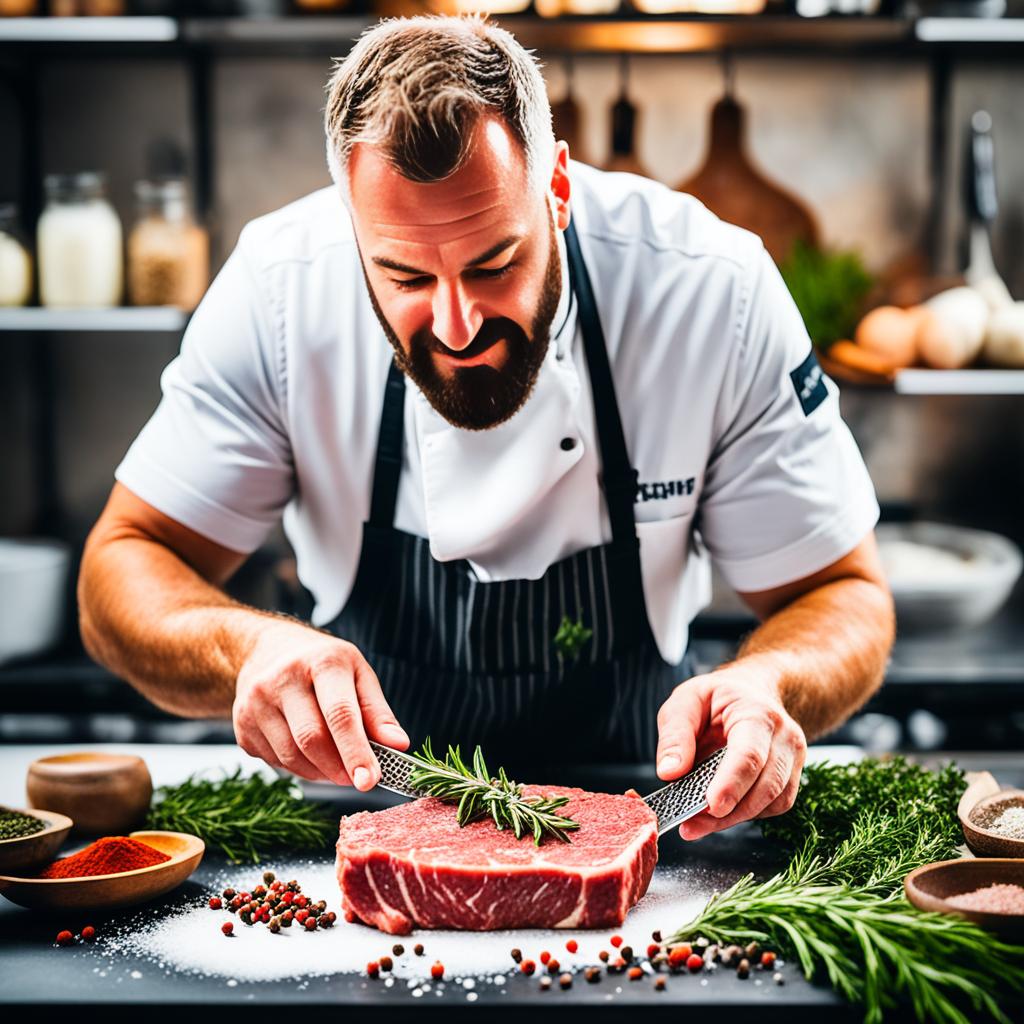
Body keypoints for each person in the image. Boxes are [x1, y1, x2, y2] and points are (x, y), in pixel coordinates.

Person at [79, 15, 894, 841]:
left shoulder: (712, 291)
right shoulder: (279, 291)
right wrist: (244, 651)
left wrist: (771, 682)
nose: (459, 325)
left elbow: (846, 594)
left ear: (559, 191)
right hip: (363, 818)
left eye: (495, 263)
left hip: (651, 817)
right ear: (349, 226)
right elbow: (120, 570)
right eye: (403, 275)